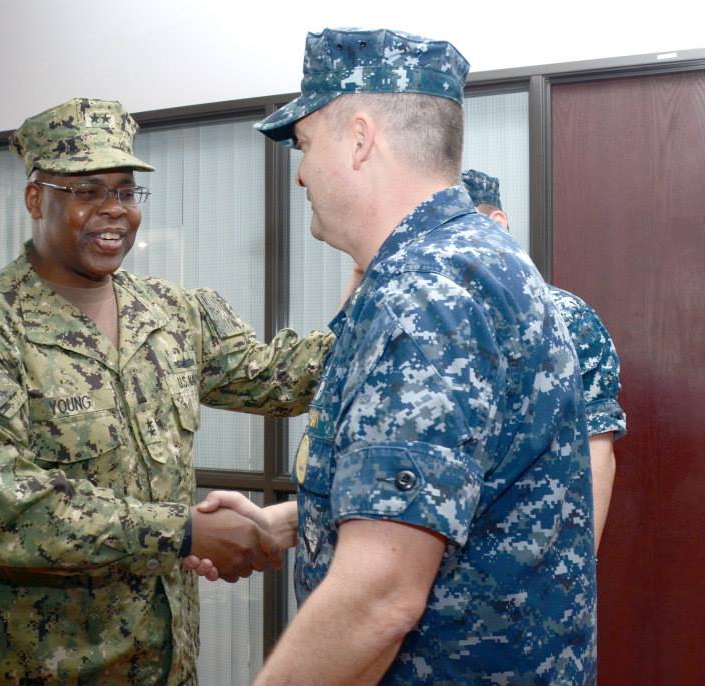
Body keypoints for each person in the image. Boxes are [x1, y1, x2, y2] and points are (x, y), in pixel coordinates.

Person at [189, 28, 596, 684]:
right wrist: (287, 521)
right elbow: (453, 489)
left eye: (304, 143)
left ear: (358, 138)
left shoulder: (425, 292)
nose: (298, 172)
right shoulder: (468, 262)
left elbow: (379, 599)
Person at [0, 97, 339, 686]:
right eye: (87, 192)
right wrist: (184, 530)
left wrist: (380, 287)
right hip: (23, 665)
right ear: (36, 198)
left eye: (127, 192)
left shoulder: (171, 312)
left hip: (161, 659)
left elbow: (278, 379)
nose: (115, 211)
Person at [461, 168, 627, 549]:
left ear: (496, 224)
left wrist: (586, 566)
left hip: (530, 565)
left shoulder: (565, 318)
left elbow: (596, 451)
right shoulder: (418, 317)